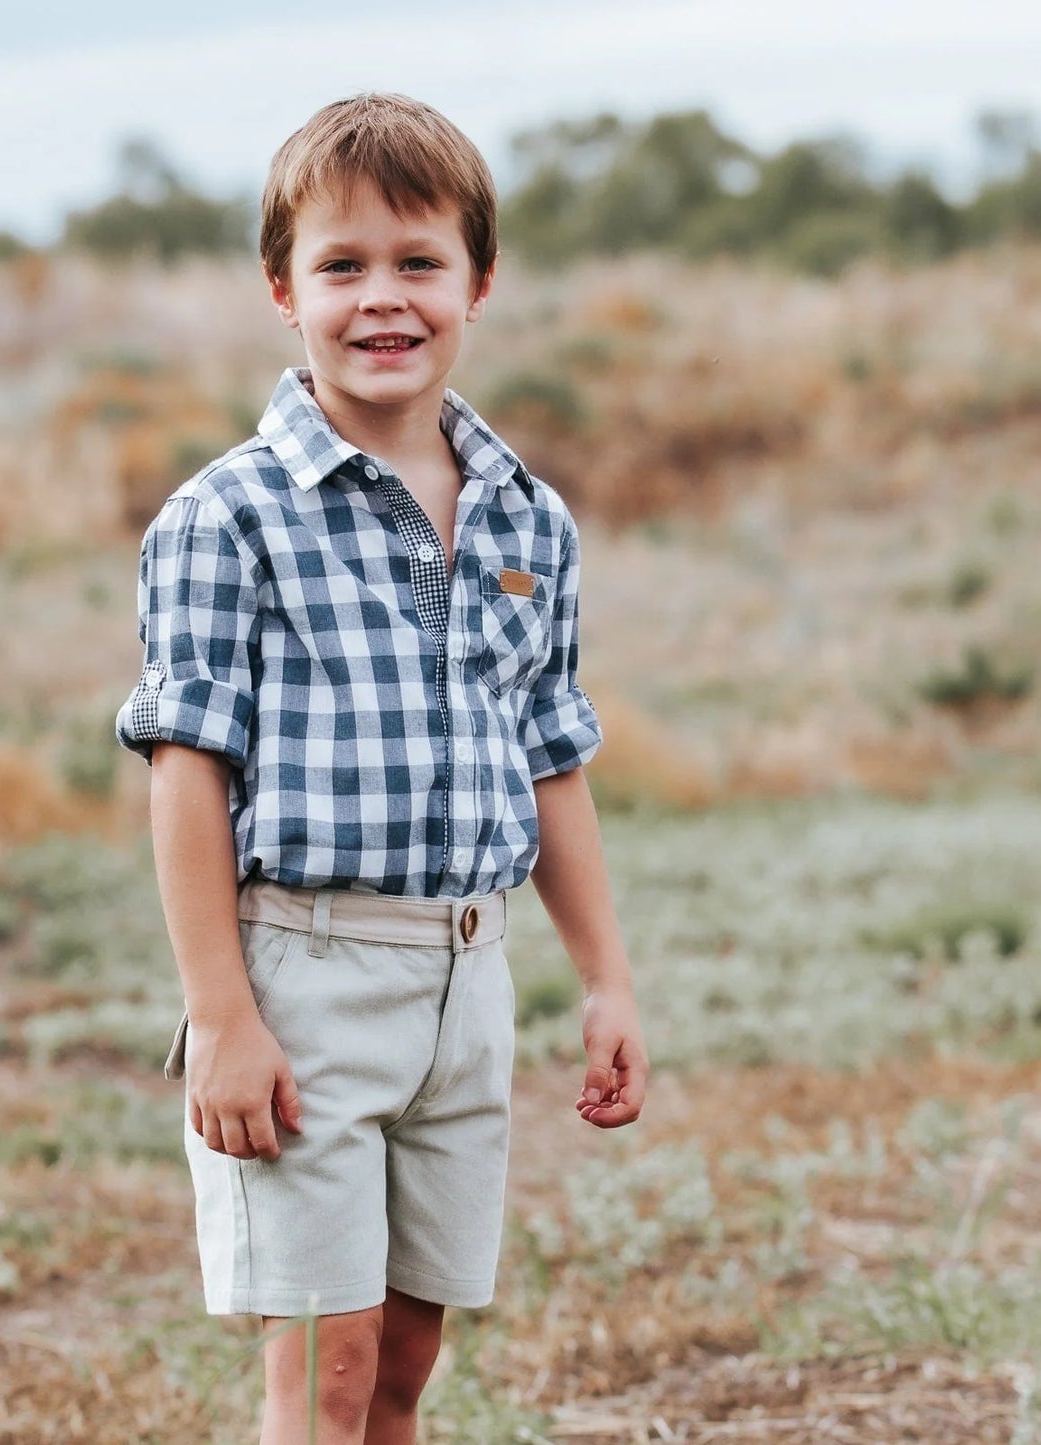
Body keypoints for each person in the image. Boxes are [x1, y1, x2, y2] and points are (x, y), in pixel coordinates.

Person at [116, 91, 650, 1445]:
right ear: (279, 291)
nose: (381, 299)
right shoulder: (226, 515)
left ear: (478, 279)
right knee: (324, 1362)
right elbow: (186, 772)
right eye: (339, 265)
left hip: (467, 975)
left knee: (405, 1357)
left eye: (417, 262)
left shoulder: (526, 514)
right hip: (303, 980)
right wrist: (222, 1013)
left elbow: (550, 750)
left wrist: (605, 978)